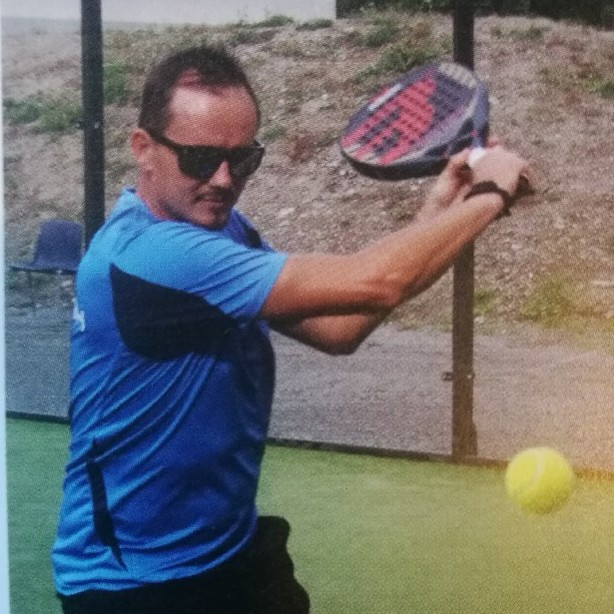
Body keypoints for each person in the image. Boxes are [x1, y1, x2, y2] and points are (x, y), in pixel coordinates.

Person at [52, 44, 533, 614]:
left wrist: (445, 202)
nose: (224, 179)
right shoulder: (149, 257)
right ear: (143, 148)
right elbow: (379, 282)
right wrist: (490, 193)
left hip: (229, 551)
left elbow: (340, 328)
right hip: (130, 582)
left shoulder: (223, 231)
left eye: (243, 159)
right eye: (201, 159)